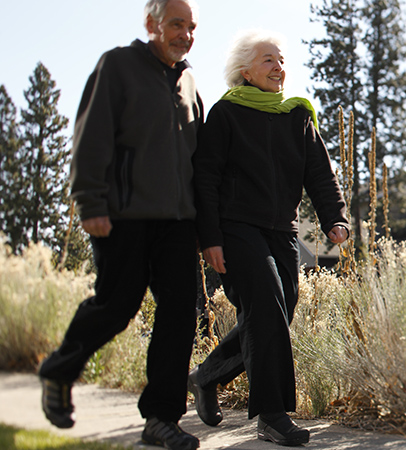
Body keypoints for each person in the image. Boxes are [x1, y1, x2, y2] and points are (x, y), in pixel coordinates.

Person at [37, 1, 203, 449]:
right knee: (116, 304)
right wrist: (90, 202)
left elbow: (197, 161)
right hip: (125, 216)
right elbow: (90, 136)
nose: (185, 34)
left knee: (178, 319)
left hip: (178, 222)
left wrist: (206, 229)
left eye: (191, 27)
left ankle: (161, 419)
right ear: (151, 25)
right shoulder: (118, 65)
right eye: (176, 24)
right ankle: (59, 369)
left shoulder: (188, 82)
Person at [187, 29, 349, 447]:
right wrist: (210, 238)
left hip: (283, 230)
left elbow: (320, 174)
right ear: (245, 71)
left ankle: (206, 376)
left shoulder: (298, 116)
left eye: (281, 60)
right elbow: (205, 179)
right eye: (268, 60)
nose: (279, 68)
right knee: (265, 303)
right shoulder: (226, 115)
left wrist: (336, 218)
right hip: (236, 227)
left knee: (279, 308)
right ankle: (273, 416)